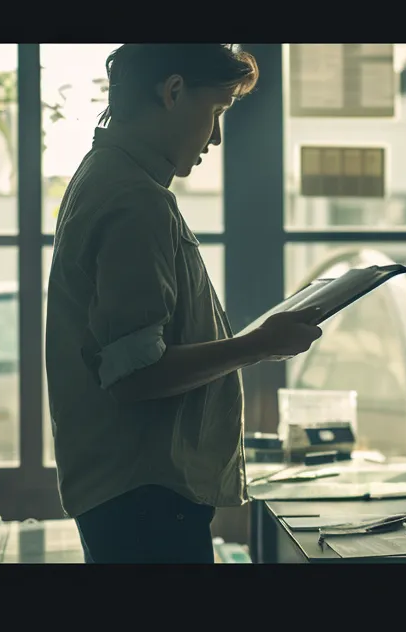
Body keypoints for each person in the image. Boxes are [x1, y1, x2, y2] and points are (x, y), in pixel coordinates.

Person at [46, 44, 324, 564]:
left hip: (131, 493)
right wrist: (258, 347)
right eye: (216, 112)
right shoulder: (135, 199)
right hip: (147, 497)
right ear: (173, 92)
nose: (216, 136)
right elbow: (136, 376)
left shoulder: (104, 175)